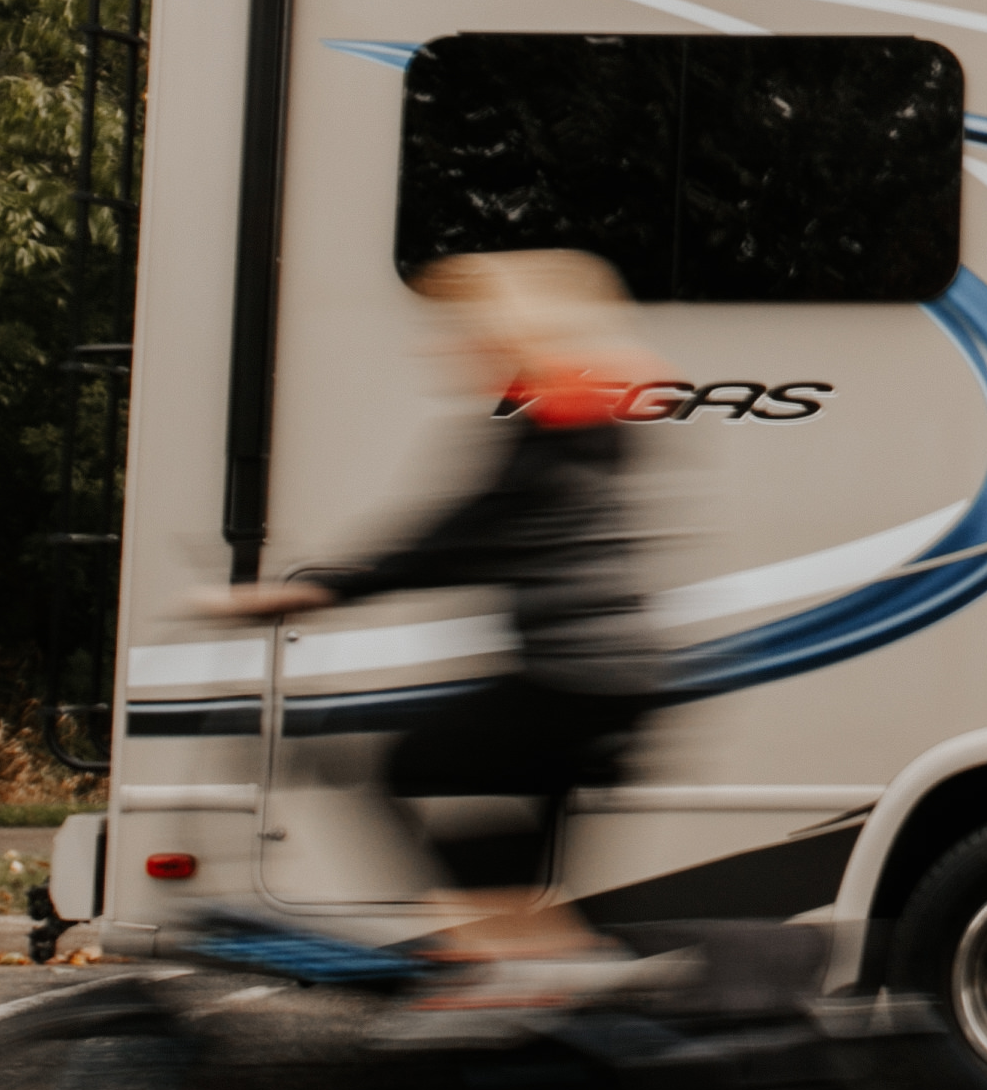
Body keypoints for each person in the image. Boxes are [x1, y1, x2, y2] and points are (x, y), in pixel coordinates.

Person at [201, 250, 665, 1005]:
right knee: (490, 789)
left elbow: (471, 531)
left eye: (469, 333)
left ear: (514, 333)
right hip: (604, 677)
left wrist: (320, 589)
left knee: (417, 761)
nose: (453, 348)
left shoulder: (559, 417)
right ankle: (541, 956)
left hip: (585, 677)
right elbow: (471, 528)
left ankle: (534, 952)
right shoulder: (572, 411)